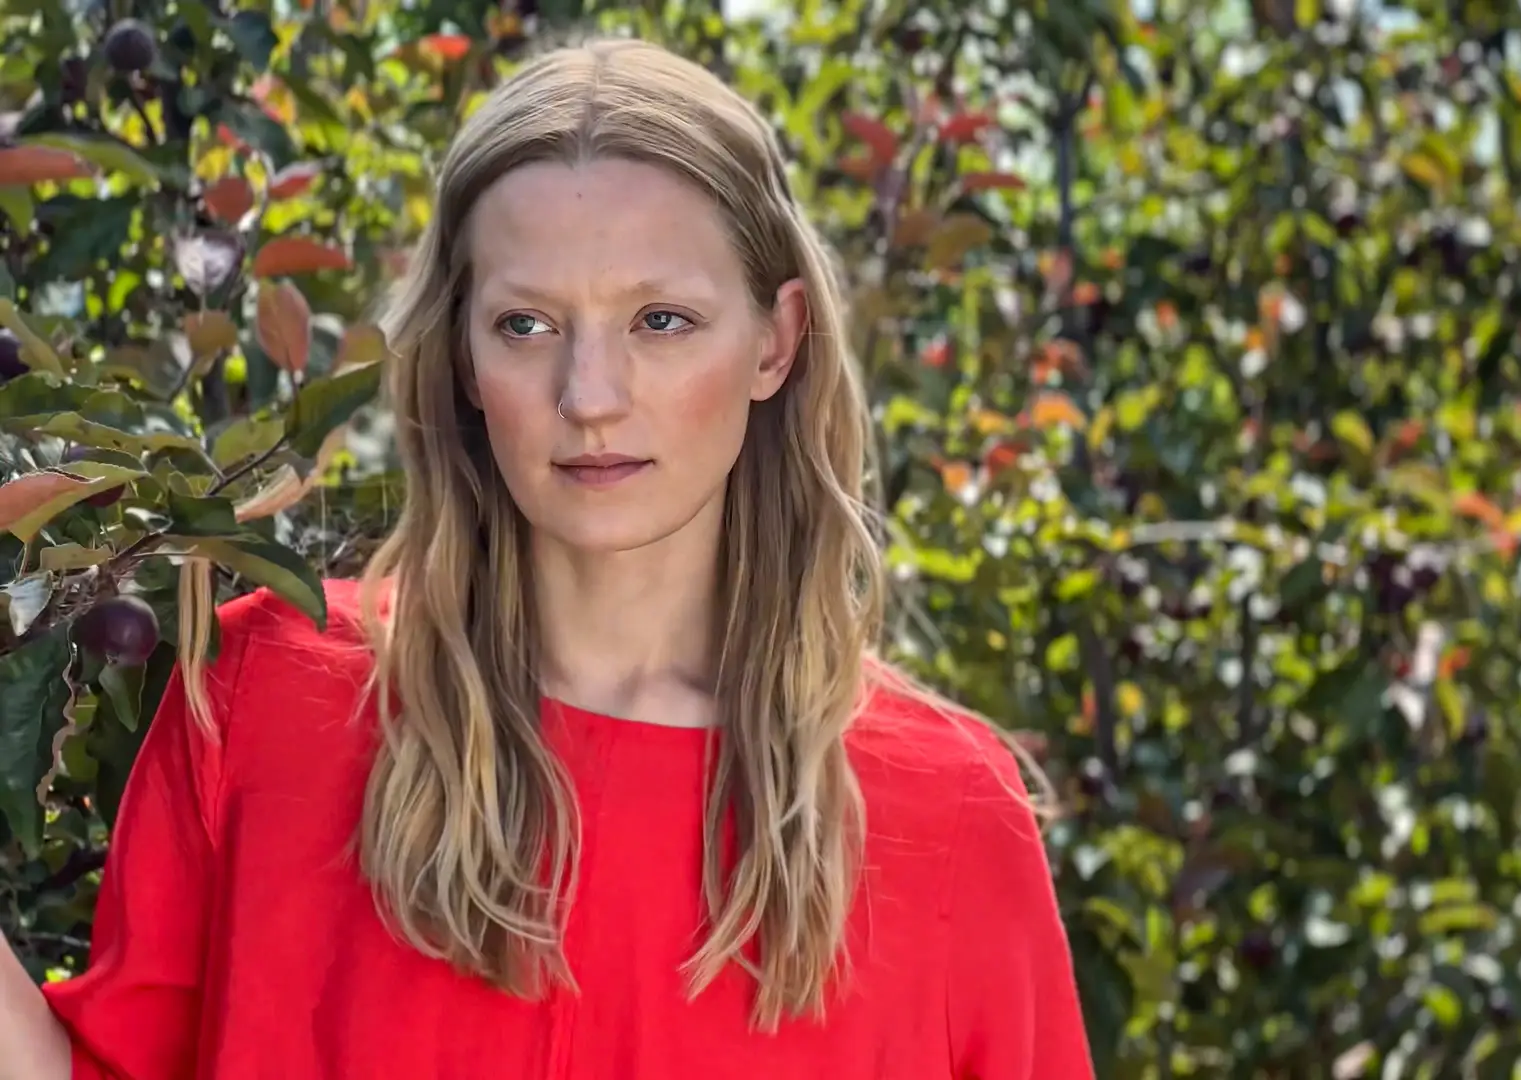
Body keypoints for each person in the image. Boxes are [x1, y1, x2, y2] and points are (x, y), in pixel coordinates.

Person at [0, 35, 1094, 1079]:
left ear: (776, 339)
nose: (590, 397)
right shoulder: (263, 697)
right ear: (461, 356)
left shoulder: (946, 814)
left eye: (661, 320)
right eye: (526, 325)